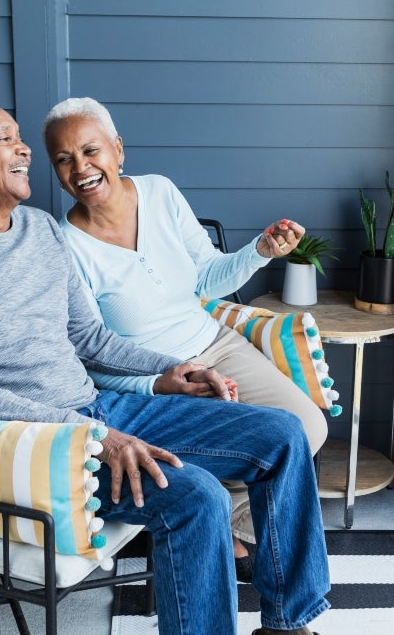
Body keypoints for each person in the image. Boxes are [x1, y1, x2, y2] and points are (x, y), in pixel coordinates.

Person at [0, 97, 329, 635]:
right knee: (197, 497)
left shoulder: (40, 230)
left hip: (100, 410)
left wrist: (176, 367)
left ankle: (289, 624)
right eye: (5, 138)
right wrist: (93, 434)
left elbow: (89, 338)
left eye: (20, 137)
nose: (25, 148)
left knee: (283, 434)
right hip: (41, 444)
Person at [41, 97, 329, 567]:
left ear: (118, 149)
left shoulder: (159, 192)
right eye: (64, 159)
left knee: (307, 427)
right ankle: (215, 524)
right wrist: (160, 380)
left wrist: (258, 251)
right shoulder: (65, 244)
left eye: (91, 151)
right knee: (244, 450)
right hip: (152, 384)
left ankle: (227, 521)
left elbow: (207, 279)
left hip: (212, 343)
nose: (81, 168)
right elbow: (89, 355)